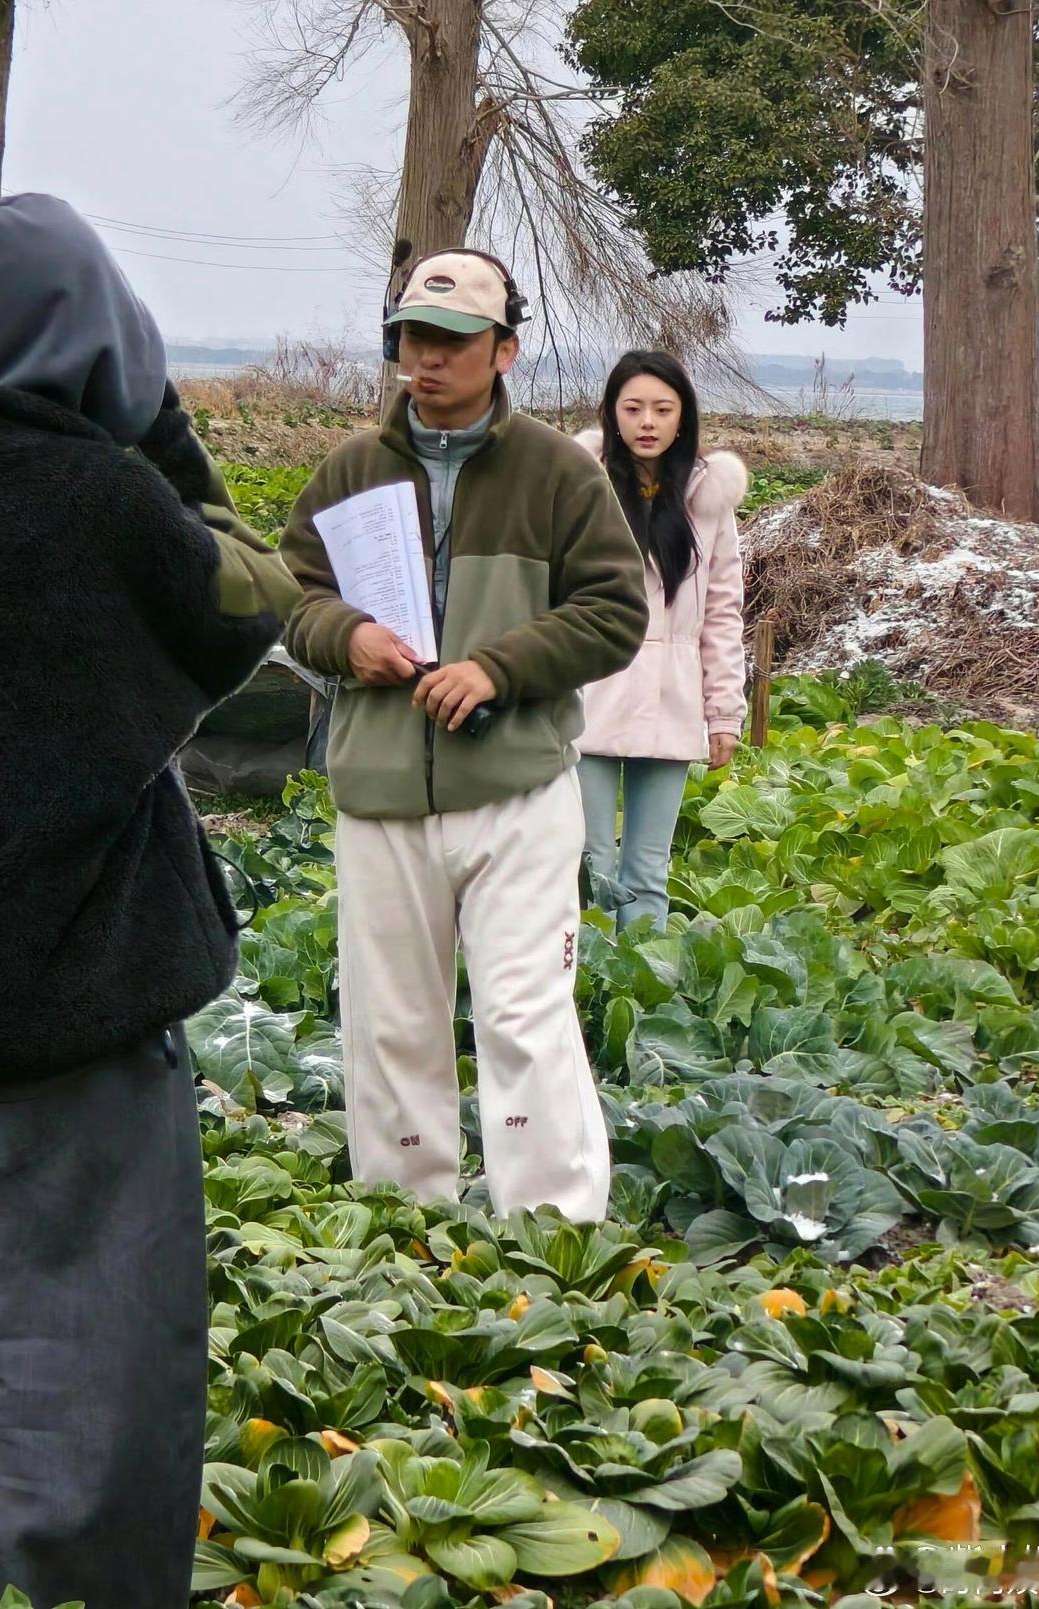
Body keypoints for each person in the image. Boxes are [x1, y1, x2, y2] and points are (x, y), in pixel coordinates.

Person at [0, 194, 300, 1609]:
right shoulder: (96, 501)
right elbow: (246, 604)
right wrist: (156, 431)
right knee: (63, 1393)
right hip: (57, 1033)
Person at [279, 249, 647, 1224]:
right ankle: (405, 1231)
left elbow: (615, 610)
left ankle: (554, 1235)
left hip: (518, 791)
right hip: (382, 795)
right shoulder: (350, 470)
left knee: (525, 1016)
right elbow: (294, 597)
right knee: (391, 1020)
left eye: (450, 340)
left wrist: (500, 666)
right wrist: (345, 636)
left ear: (505, 350)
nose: (426, 359)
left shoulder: (560, 474)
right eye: (412, 338)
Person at [575, 350, 748, 931]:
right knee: (588, 866)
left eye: (662, 409)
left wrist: (723, 712)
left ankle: (641, 998)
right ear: (612, 414)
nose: (647, 422)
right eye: (633, 408)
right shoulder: (581, 486)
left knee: (648, 872)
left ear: (683, 418)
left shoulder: (707, 499)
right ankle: (584, 998)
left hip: (671, 698)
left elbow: (723, 612)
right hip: (589, 693)